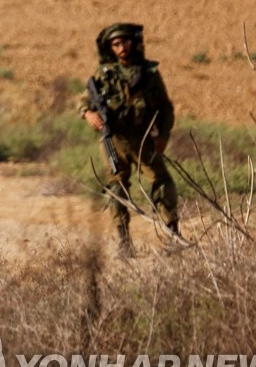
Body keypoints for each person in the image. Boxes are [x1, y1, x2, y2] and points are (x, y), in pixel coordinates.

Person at [77, 23, 180, 257]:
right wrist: (88, 113)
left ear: (134, 42)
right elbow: (83, 100)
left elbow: (166, 107)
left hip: (143, 138)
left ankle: (173, 232)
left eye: (124, 42)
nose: (121, 47)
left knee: (163, 182)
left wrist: (163, 135)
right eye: (115, 44)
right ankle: (124, 241)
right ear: (110, 47)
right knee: (117, 187)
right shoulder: (103, 75)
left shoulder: (149, 73)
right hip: (114, 139)